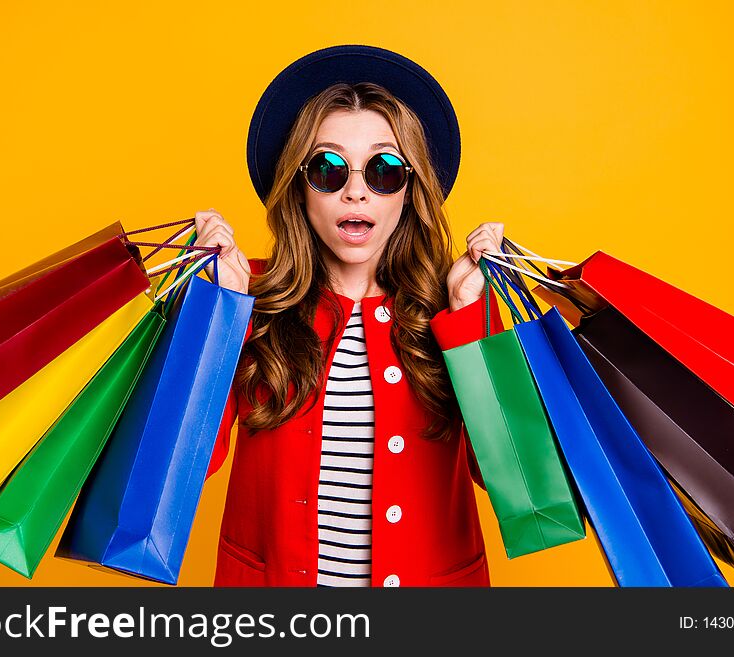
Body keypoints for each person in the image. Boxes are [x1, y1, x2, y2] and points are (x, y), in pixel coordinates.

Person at [198, 45, 505, 587]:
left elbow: (508, 476)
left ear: (411, 191)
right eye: (327, 167)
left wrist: (469, 318)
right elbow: (185, 467)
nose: (356, 190)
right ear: (299, 185)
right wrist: (222, 313)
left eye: (385, 169)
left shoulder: (455, 309)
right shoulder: (248, 299)